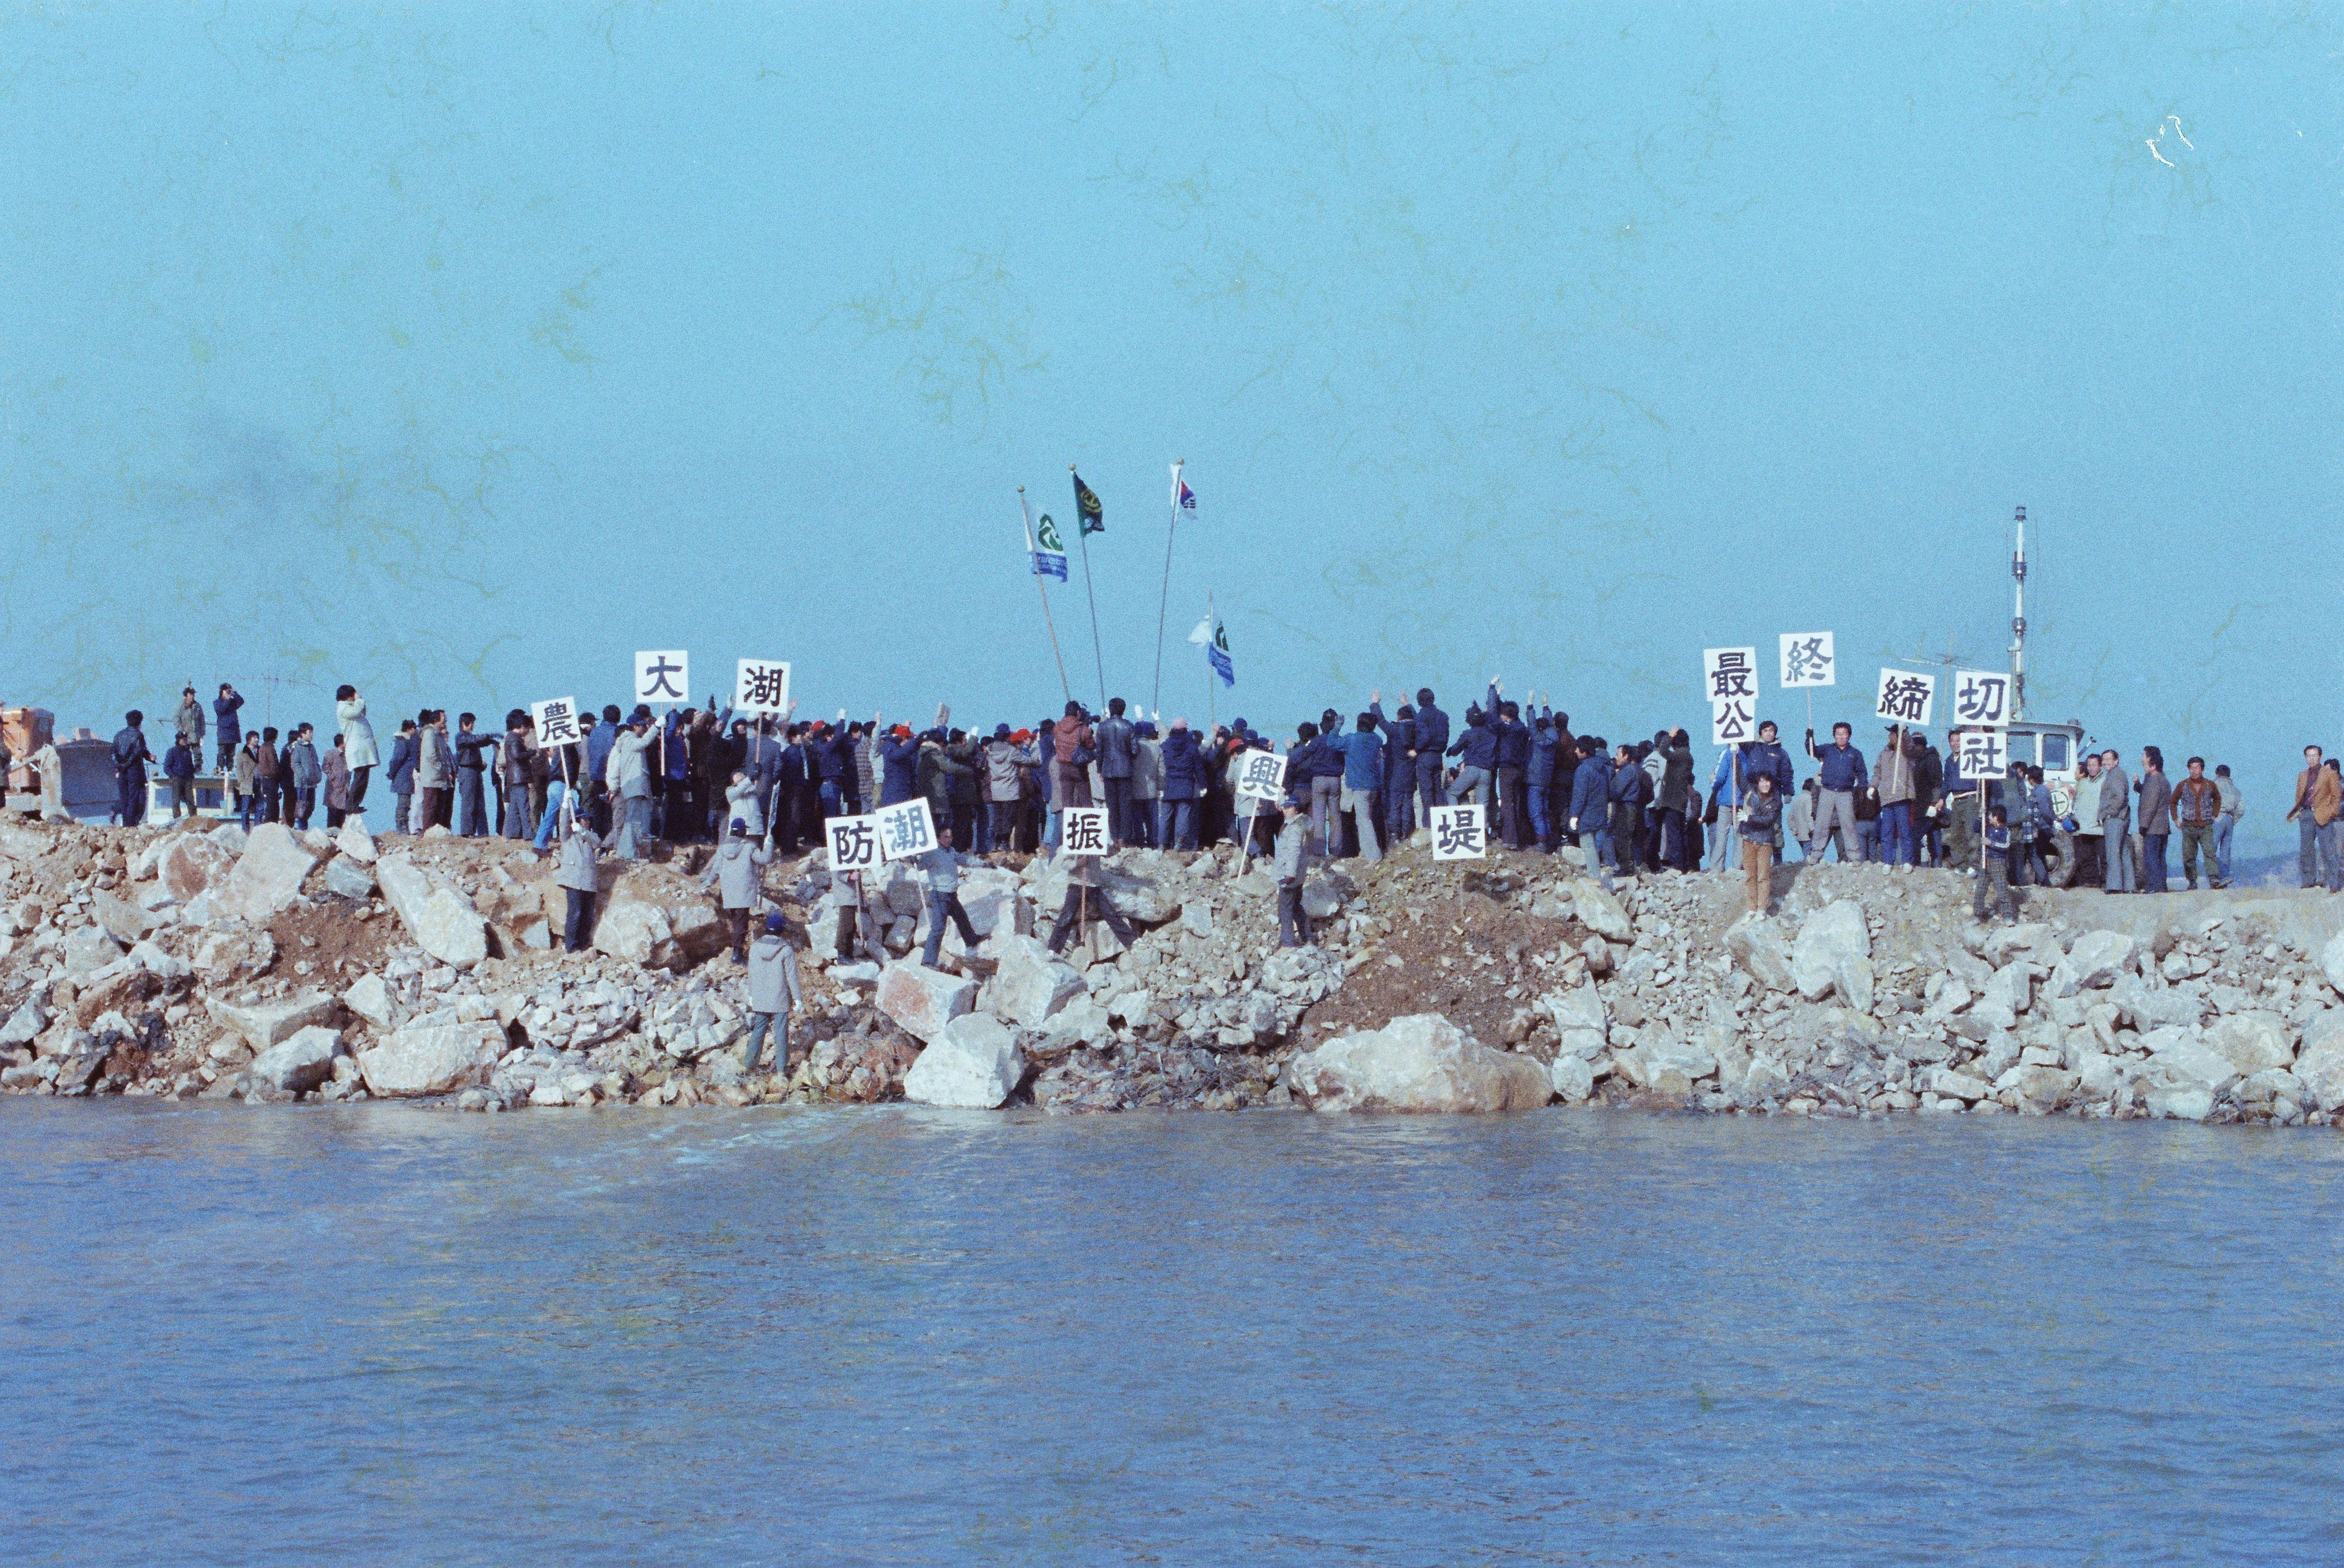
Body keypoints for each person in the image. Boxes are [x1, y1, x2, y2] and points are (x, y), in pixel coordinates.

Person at [701, 818, 773, 963]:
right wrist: (769, 843)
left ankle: (735, 947)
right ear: (743, 832)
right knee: (741, 922)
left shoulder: (722, 849)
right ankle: (737, 953)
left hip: (728, 890)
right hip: (744, 890)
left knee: (735, 920)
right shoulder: (749, 847)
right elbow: (764, 859)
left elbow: (716, 870)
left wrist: (708, 882)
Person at [741, 912, 804, 1075]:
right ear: (781, 930)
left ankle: (749, 1066)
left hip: (761, 996)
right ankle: (782, 1069)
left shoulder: (755, 947)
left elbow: (752, 972)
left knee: (759, 1030)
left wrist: (751, 994)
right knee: (781, 1031)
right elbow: (791, 976)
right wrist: (798, 998)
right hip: (780, 997)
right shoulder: (786, 950)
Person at [915, 824, 981, 969]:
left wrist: (984, 864)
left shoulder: (951, 851)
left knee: (962, 918)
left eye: (950, 836)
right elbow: (920, 865)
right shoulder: (933, 853)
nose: (949, 839)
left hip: (951, 894)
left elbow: (964, 860)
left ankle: (972, 941)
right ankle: (928, 961)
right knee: (938, 928)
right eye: (945, 837)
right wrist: (912, 859)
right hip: (940, 894)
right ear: (938, 838)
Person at [1046, 850, 1137, 955]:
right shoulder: (1074, 841)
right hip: (1076, 884)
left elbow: (1106, 852)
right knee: (1067, 916)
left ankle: (1131, 941)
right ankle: (1053, 949)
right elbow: (1064, 864)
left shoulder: (1096, 837)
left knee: (1110, 913)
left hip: (1094, 886)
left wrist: (1115, 848)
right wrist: (1077, 863)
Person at [1325, 710, 1385, 863]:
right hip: (1374, 785)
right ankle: (1365, 852)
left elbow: (1331, 742)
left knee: (1364, 820)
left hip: (1359, 786)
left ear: (1358, 724)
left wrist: (1337, 727)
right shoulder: (1376, 740)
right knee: (1363, 819)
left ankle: (1374, 855)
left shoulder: (1351, 740)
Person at [1805, 721, 1868, 861]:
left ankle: (1855, 857)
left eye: (1844, 734)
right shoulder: (1828, 749)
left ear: (1849, 736)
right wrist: (1809, 738)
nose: (1841, 737)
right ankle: (1815, 855)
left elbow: (1862, 773)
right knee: (1821, 824)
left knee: (1849, 825)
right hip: (1827, 791)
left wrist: (1863, 788)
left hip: (1846, 793)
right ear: (1834, 736)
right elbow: (1812, 750)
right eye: (1838, 734)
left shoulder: (1855, 754)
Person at [555, 812, 603, 952]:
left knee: (587, 915)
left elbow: (597, 842)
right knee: (575, 914)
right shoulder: (568, 837)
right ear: (576, 820)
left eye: (588, 819)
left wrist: (582, 831)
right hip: (574, 882)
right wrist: (565, 804)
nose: (587, 822)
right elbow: (563, 824)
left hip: (589, 882)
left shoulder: (590, 836)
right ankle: (572, 946)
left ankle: (583, 944)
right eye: (583, 819)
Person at [2172, 757, 2222, 891]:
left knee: (2210, 852)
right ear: (2188, 769)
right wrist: (2176, 819)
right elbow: (2173, 802)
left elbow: (2217, 799)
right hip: (2188, 826)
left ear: (2203, 769)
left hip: (2206, 825)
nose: (2194, 771)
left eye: (2197, 767)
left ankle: (2213, 879)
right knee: (2188, 856)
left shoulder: (2210, 785)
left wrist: (2215, 814)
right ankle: (2192, 881)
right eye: (2192, 768)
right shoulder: (2182, 785)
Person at [1272, 799, 1316, 948]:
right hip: (1299, 875)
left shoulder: (1295, 828)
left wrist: (1289, 875)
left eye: (1289, 808)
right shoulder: (1301, 825)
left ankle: (1288, 942)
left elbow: (1294, 852)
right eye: (1284, 808)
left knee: (1285, 909)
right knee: (1296, 906)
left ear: (1296, 809)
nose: (1285, 810)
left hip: (1289, 875)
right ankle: (1307, 937)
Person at [1875, 724, 1919, 869]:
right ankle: (1888, 861)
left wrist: (1904, 732)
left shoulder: (1906, 751)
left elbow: (1909, 747)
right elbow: (1878, 772)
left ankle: (1907, 860)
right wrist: (1872, 786)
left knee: (1905, 830)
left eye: (1893, 734)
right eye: (1890, 734)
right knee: (1886, 832)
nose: (1890, 737)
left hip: (1902, 796)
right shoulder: (1884, 753)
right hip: (1887, 797)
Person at [1095, 698, 1138, 844]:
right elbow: (1135, 750)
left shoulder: (1102, 727)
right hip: (1125, 770)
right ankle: (1125, 838)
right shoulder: (1128, 726)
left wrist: (1099, 769)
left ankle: (1115, 837)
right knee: (1125, 806)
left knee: (1112, 806)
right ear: (1123, 710)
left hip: (1108, 770)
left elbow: (1099, 751)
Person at [1739, 771, 1781, 915]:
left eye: (1767, 782)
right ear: (1757, 784)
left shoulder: (1776, 802)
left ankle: (1762, 909)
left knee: (1763, 876)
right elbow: (1739, 778)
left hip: (1765, 842)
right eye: (1761, 782)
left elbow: (1768, 821)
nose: (1764, 785)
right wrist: (1735, 754)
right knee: (1750, 876)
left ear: (1771, 783)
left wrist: (1749, 818)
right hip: (1749, 839)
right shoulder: (1751, 794)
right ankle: (1752, 908)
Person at [1158, 720, 1203, 852]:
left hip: (1170, 783)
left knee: (1165, 816)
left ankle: (1161, 845)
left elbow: (1162, 765)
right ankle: (1179, 844)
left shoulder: (1167, 744)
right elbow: (1198, 767)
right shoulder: (1191, 745)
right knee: (1183, 816)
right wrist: (1203, 784)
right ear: (1186, 729)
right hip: (1186, 784)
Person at [1569, 736, 1613, 869]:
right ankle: (1609, 869)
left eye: (1577, 748)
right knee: (1600, 844)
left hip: (1587, 815)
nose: (1575, 751)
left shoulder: (1583, 769)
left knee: (1588, 847)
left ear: (1584, 751)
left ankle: (1595, 878)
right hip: (1601, 812)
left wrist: (1574, 815)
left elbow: (1579, 795)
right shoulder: (1604, 769)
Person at [335, 686, 379, 815]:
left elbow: (362, 712)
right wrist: (359, 700)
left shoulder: (352, 706)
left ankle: (356, 803)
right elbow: (355, 712)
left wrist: (359, 702)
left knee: (364, 779)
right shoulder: (343, 708)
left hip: (363, 749)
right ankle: (351, 805)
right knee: (359, 778)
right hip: (357, 749)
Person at [2287, 745, 2325, 888]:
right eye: (2309, 756)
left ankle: (2324, 879)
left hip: (2322, 812)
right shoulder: (2303, 775)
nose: (2312, 759)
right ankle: (2309, 880)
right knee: (2306, 848)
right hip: (2307, 813)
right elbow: (2300, 795)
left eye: (2314, 755)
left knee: (2325, 847)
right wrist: (2300, 811)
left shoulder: (2327, 773)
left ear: (2320, 756)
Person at [2135, 746, 2172, 893]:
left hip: (2153, 827)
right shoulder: (2163, 780)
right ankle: (2161, 886)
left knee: (2151, 858)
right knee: (2160, 858)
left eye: (2144, 756)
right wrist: (2138, 785)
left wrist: (2143, 826)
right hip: (2163, 826)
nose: (2142, 759)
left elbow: (2150, 805)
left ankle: (2154, 887)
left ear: (2153, 764)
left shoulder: (2155, 781)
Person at [2098, 748, 2134, 894]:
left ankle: (2114, 886)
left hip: (2115, 818)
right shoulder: (2117, 774)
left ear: (2116, 761)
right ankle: (2130, 886)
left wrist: (2110, 814)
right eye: (2104, 759)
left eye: (2108, 759)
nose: (2105, 762)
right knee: (2124, 852)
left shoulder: (2115, 775)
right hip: (2123, 817)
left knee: (2112, 852)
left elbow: (2119, 797)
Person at [454, 713, 494, 837]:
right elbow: (474, 740)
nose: (472, 726)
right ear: (464, 724)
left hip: (476, 771)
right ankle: (467, 832)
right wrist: (489, 736)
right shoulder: (461, 737)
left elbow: (478, 741)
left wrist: (490, 740)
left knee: (480, 803)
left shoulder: (470, 738)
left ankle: (483, 831)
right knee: (469, 802)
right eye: (470, 723)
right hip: (467, 771)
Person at [1974, 805, 2016, 923]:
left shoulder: (2006, 831)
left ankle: (2008, 917)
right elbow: (1976, 828)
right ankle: (1978, 915)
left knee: (2002, 890)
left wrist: (1991, 843)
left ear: (1996, 817)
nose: (1988, 818)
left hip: (1998, 863)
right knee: (1980, 890)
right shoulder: (1987, 828)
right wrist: (1979, 816)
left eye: (1990, 816)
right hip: (1985, 861)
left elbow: (2006, 846)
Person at [829, 865, 879, 963]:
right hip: (845, 895)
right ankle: (842, 954)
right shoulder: (837, 853)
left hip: (851, 895)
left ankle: (848, 954)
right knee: (846, 925)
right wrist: (849, 876)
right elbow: (838, 872)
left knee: (851, 926)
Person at [110, 710, 152, 827]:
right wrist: (150, 758)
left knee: (124, 798)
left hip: (122, 772)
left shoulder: (118, 735)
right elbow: (139, 751)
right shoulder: (139, 735)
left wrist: (119, 766)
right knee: (136, 798)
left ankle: (126, 823)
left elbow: (113, 753)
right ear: (140, 722)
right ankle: (131, 824)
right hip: (135, 771)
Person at [2070, 753, 2104, 889]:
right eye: (2089, 765)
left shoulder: (2105, 781)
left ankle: (2105, 882)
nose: (2091, 768)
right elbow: (2076, 801)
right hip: (2083, 826)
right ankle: (2091, 882)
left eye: (2094, 765)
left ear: (2100, 766)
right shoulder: (2082, 783)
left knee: (2103, 857)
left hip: (2099, 827)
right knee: (2087, 857)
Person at [414, 710, 453, 832]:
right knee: (431, 806)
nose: (446, 721)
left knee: (438, 807)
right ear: (436, 720)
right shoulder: (430, 734)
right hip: (432, 777)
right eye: (444, 718)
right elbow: (431, 755)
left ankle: (436, 833)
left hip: (438, 778)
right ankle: (428, 833)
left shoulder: (438, 734)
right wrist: (442, 768)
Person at [1128, 720, 1164, 850]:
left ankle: (1139, 842)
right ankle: (1153, 842)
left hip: (1135, 788)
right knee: (1152, 819)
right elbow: (1162, 771)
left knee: (1137, 819)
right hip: (1151, 789)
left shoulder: (1132, 747)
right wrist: (1161, 787)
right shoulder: (1157, 748)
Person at [285, 723, 323, 829]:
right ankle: (300, 829)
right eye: (309, 732)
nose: (312, 735)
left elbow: (316, 762)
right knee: (302, 808)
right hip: (302, 784)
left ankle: (304, 828)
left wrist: (318, 775)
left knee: (310, 807)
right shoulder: (297, 747)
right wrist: (303, 776)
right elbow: (295, 764)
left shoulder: (312, 747)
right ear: (303, 733)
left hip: (312, 783)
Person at [386, 718, 419, 834]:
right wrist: (391, 773)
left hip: (405, 776)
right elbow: (397, 759)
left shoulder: (406, 742)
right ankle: (401, 827)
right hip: (403, 776)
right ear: (409, 729)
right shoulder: (403, 741)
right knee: (403, 803)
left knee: (406, 802)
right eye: (414, 728)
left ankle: (404, 827)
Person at [2212, 764, 2243, 890]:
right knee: (2225, 850)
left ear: (2217, 774)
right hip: (2230, 819)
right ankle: (2224, 876)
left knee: (2210, 849)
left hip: (2217, 817)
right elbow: (2241, 809)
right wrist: (2232, 820)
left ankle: (2220, 876)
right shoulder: (2235, 790)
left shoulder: (2213, 786)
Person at [2318, 759, 2344, 893]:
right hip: (2327, 822)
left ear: (2335, 770)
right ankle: (2324, 881)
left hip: (2340, 821)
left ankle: (2339, 884)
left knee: (2339, 854)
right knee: (2325, 852)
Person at [163, 734, 198, 820]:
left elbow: (190, 766)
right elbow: (167, 767)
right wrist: (173, 776)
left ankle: (194, 818)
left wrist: (193, 773)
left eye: (186, 739)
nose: (185, 741)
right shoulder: (172, 751)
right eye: (183, 739)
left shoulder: (188, 753)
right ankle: (177, 819)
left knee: (190, 800)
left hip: (187, 779)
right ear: (178, 740)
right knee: (176, 800)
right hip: (177, 779)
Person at [234, 732, 263, 831]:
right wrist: (242, 780)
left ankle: (257, 828)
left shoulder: (260, 751)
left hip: (259, 782)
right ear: (249, 739)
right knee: (245, 808)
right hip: (247, 782)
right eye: (254, 738)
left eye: (257, 738)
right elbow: (239, 768)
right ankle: (245, 829)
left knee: (260, 807)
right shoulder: (242, 753)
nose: (257, 740)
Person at [213, 683, 245, 775]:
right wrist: (227, 700)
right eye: (226, 690)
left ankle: (230, 769)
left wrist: (234, 694)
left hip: (233, 732)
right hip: (224, 732)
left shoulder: (233, 702)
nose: (228, 692)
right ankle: (221, 768)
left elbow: (241, 702)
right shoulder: (217, 702)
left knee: (231, 753)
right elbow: (221, 710)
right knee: (222, 752)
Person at [322, 734, 351, 829]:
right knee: (333, 814)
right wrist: (334, 778)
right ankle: (331, 836)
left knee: (341, 815)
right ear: (341, 743)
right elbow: (325, 767)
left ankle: (339, 838)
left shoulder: (347, 755)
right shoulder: (331, 753)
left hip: (344, 789)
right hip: (334, 789)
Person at [173, 686, 206, 771]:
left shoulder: (197, 706)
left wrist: (202, 733)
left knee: (198, 754)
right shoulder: (181, 706)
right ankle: (185, 769)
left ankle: (198, 769)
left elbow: (202, 720)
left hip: (196, 735)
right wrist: (182, 730)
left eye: (193, 694)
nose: (192, 696)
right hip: (186, 735)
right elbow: (176, 719)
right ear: (186, 695)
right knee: (185, 754)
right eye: (190, 694)